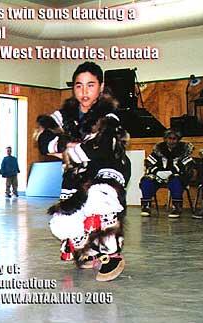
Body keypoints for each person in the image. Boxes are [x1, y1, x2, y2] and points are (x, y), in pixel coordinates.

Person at [35, 61, 131, 281]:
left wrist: (65, 150)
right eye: (79, 86)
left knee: (98, 197)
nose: (84, 91)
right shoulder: (63, 114)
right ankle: (89, 248)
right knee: (62, 223)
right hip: (78, 173)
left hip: (109, 168)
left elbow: (100, 148)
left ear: (101, 86)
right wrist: (69, 149)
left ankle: (111, 252)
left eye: (90, 85)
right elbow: (43, 139)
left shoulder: (110, 115)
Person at [139, 129, 194, 218]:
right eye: (169, 138)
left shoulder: (183, 150)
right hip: (159, 175)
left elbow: (189, 165)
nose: (171, 141)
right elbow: (149, 163)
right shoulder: (159, 149)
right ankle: (146, 206)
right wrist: (156, 171)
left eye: (174, 139)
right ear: (165, 139)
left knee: (176, 179)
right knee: (147, 180)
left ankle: (176, 208)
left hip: (177, 176)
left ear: (178, 140)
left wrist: (175, 171)